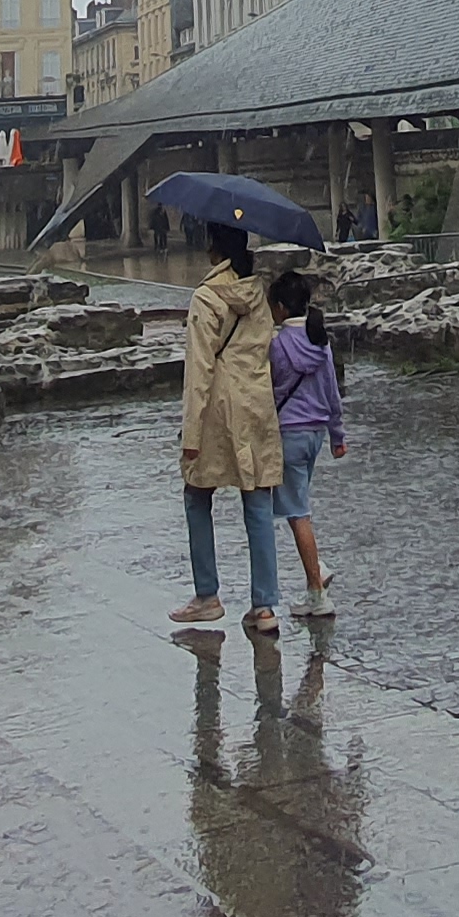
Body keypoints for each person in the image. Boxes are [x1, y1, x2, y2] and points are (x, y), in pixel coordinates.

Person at [172, 220, 287, 636]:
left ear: (213, 250)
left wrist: (191, 432)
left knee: (196, 492)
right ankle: (265, 605)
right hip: (256, 403)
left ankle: (207, 594)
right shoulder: (258, 294)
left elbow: (199, 369)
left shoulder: (206, 298)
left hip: (218, 408)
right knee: (257, 500)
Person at [267, 268, 348, 617]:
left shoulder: (277, 345)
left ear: (281, 308)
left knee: (297, 512)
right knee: (297, 506)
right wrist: (337, 435)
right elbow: (332, 392)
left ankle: (317, 592)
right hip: (316, 435)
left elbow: (268, 391)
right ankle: (318, 568)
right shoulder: (320, 341)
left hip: (289, 435)